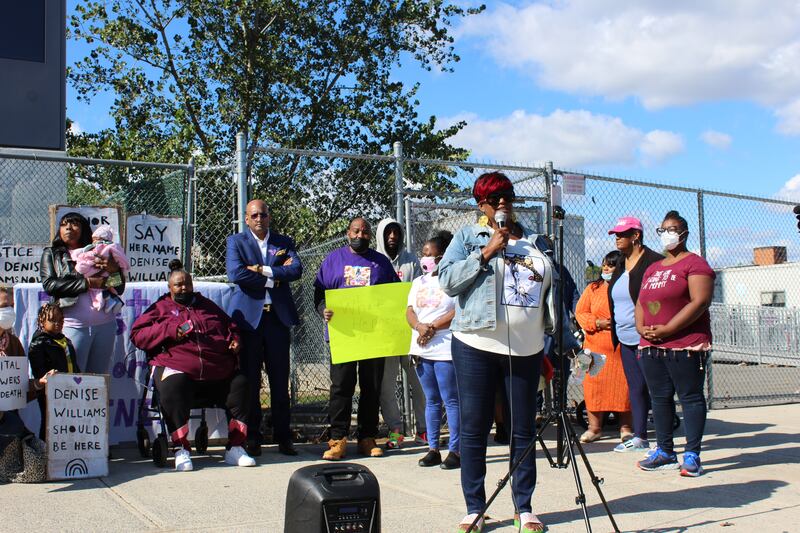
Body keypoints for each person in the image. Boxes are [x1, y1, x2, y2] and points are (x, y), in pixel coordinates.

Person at [439, 172, 555, 533]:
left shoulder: (537, 242)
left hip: (526, 347)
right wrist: (488, 250)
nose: (502, 202)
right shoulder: (466, 237)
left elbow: (553, 293)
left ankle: (525, 507)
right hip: (476, 344)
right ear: (481, 205)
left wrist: (563, 341)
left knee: (522, 428)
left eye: (507, 195)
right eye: (493, 198)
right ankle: (475, 507)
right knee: (474, 428)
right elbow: (448, 281)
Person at [130, 260, 255, 472]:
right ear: (169, 288)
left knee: (241, 383)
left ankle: (235, 447)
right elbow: (137, 335)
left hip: (215, 371)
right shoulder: (160, 308)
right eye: (178, 285)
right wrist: (169, 330)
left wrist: (235, 339)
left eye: (187, 283)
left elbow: (231, 326)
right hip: (179, 370)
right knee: (174, 383)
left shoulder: (207, 306)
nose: (184, 288)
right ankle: (181, 449)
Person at [635, 210, 715, 477]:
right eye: (663, 229)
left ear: (684, 233)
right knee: (659, 398)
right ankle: (665, 450)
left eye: (673, 229)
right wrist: (642, 329)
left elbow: (700, 301)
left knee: (690, 397)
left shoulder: (695, 263)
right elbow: (640, 302)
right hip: (651, 347)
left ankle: (692, 455)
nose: (667, 234)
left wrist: (669, 328)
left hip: (685, 345)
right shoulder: (653, 268)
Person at [313, 217, 399, 460]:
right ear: (347, 233)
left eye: (365, 232)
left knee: (371, 388)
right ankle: (338, 439)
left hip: (373, 336)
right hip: (343, 336)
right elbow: (319, 293)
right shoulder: (333, 260)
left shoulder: (381, 262)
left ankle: (367, 437)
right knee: (341, 387)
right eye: (356, 231)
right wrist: (323, 310)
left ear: (370, 236)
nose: (360, 235)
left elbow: (394, 295)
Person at [226, 200, 303, 457]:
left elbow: (296, 270)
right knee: (250, 382)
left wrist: (261, 270)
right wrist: (274, 279)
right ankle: (253, 437)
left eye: (263, 214)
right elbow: (236, 274)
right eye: (254, 215)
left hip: (276, 321)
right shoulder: (236, 242)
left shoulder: (284, 242)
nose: (259, 219)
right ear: (246, 219)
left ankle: (283, 437)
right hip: (249, 322)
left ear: (269, 217)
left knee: (280, 382)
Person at [40, 212, 124, 374]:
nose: (69, 228)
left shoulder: (102, 251)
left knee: (99, 381)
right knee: (72, 379)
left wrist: (114, 271)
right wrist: (87, 283)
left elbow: (118, 288)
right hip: (73, 326)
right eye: (64, 224)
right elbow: (50, 285)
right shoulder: (52, 253)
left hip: (105, 325)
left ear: (84, 229)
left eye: (74, 224)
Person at [606, 216, 663, 452]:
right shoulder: (620, 264)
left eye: (623, 233)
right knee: (635, 386)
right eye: (616, 234)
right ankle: (640, 437)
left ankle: (664, 440)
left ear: (636, 235)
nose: (618, 237)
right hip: (625, 336)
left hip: (647, 336)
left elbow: (659, 299)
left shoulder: (654, 262)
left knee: (658, 388)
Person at [406, 230, 459, 469]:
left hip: (445, 347)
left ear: (443, 257)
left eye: (431, 255)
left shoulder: (453, 279)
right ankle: (433, 449)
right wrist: (419, 326)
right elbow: (409, 310)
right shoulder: (418, 282)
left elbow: (456, 311)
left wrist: (432, 328)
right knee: (432, 400)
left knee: (451, 400)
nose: (425, 259)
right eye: (424, 254)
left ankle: (456, 450)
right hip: (421, 348)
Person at [375, 217, 426, 449]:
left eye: (396, 233)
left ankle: (424, 430)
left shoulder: (411, 261)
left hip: (410, 332)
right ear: (381, 236)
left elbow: (419, 293)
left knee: (419, 382)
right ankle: (395, 431)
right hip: (385, 335)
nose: (392, 237)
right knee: (387, 386)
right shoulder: (374, 261)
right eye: (388, 233)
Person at [574, 251, 632, 443]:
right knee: (593, 387)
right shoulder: (593, 288)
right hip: (594, 347)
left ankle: (625, 427)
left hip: (620, 347)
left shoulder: (628, 287)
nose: (606, 268)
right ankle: (594, 428)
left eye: (611, 265)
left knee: (623, 387)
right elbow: (580, 312)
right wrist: (597, 323)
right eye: (604, 264)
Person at [27, 304, 78, 440]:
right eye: (53, 320)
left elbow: (73, 364)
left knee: (66, 422)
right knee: (49, 421)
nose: (58, 324)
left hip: (69, 389)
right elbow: (39, 371)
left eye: (61, 320)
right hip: (49, 391)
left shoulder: (65, 340)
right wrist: (47, 384)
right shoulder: (38, 343)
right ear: (42, 321)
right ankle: (45, 453)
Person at [73, 224, 130, 313]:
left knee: (105, 286)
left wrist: (114, 270)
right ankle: (112, 299)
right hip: (76, 321)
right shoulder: (56, 255)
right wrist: (89, 282)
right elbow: (54, 286)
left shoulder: (99, 248)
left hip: (105, 321)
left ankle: (111, 299)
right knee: (103, 287)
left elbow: (119, 287)